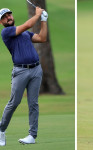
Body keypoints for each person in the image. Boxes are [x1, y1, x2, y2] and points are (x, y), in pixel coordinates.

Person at [0, 7, 48, 146]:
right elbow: (28, 24)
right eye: (4, 17)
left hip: (36, 70)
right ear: (1, 22)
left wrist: (44, 19)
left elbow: (42, 38)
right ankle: (1, 130)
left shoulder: (25, 34)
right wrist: (38, 14)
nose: (8, 17)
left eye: (9, 15)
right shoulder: (6, 32)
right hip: (20, 72)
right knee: (14, 102)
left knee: (33, 104)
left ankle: (32, 135)